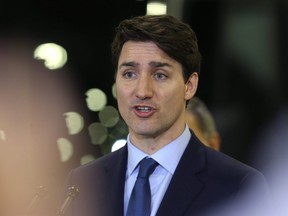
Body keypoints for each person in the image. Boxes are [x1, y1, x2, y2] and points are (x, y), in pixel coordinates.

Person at [59, 14, 271, 216]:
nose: (142, 91)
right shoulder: (82, 183)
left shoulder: (239, 186)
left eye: (160, 75)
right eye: (129, 74)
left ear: (189, 85)